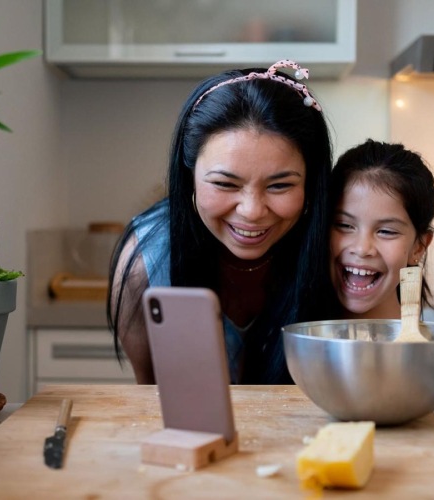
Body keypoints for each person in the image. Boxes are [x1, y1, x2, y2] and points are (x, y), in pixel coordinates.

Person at [108, 59, 336, 385]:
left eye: (280, 185)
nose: (252, 211)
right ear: (189, 180)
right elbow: (151, 399)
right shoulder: (146, 264)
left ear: (311, 183)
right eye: (226, 184)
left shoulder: (335, 249)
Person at [329, 138, 434, 320]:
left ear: (418, 247)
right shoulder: (292, 340)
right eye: (344, 225)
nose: (362, 249)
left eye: (386, 231)